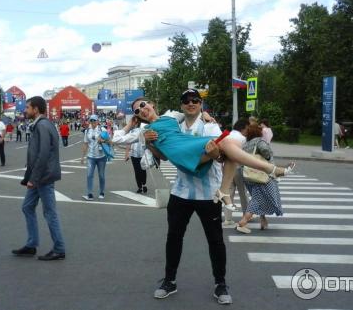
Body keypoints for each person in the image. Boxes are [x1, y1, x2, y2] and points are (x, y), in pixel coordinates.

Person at [113, 90, 236, 305]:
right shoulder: (174, 123)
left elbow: (222, 157)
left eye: (195, 101)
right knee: (174, 237)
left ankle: (220, 283)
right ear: (181, 106)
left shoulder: (210, 125)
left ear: (201, 104)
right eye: (187, 101)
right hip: (181, 191)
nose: (191, 104)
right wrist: (149, 142)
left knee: (215, 240)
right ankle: (169, 280)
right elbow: (165, 155)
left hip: (208, 194)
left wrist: (215, 153)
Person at [127, 97, 291, 212]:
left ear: (152, 104)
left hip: (195, 162)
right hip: (181, 158)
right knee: (175, 237)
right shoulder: (144, 130)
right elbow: (161, 156)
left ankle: (224, 191)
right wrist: (145, 140)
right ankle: (269, 169)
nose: (141, 110)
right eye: (137, 110)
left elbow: (190, 113)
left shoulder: (172, 118)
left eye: (142, 105)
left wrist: (204, 115)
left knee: (230, 146)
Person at [12, 96, 66, 261]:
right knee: (27, 207)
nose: (25, 110)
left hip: (43, 177)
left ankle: (59, 249)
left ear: (36, 109)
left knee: (50, 213)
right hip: (40, 175)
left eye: (28, 107)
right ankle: (31, 245)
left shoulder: (42, 125)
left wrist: (33, 179)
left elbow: (42, 155)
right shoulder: (43, 124)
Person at [236, 124, 284, 233]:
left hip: (249, 176)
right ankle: (242, 222)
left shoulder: (246, 144)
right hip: (262, 175)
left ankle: (263, 220)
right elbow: (266, 152)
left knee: (258, 197)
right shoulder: (260, 142)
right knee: (259, 199)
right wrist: (267, 158)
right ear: (258, 133)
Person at [223, 118, 250, 229]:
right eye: (247, 128)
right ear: (243, 128)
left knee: (228, 195)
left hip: (226, 169)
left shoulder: (227, 136)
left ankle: (228, 219)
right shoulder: (243, 139)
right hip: (239, 169)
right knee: (243, 194)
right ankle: (246, 216)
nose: (248, 131)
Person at [81, 114, 108, 201]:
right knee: (89, 175)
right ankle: (89, 193)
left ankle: (102, 192)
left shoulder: (102, 129)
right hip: (91, 156)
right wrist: (83, 157)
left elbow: (109, 141)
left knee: (101, 175)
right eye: (91, 121)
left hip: (101, 157)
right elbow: (85, 143)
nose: (93, 122)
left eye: (94, 121)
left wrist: (103, 140)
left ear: (97, 121)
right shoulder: (87, 131)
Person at [124, 122, 147, 194]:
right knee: (137, 171)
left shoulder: (144, 129)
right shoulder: (132, 131)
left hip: (143, 153)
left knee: (143, 169)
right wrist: (127, 153)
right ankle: (139, 187)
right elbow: (129, 142)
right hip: (134, 154)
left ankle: (144, 184)